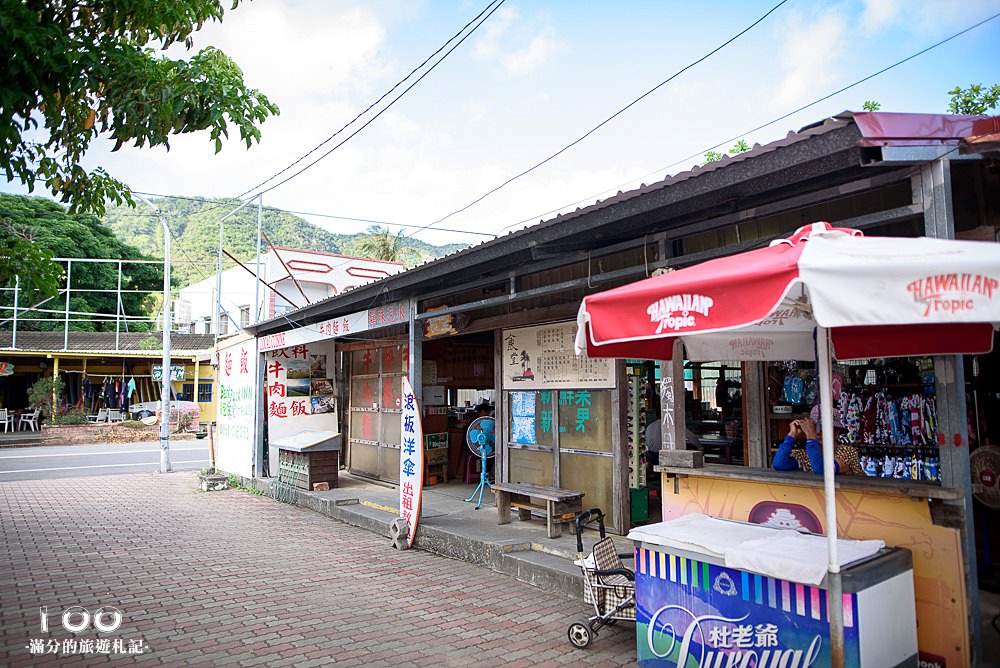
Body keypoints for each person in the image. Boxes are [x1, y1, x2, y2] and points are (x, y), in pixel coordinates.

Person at [772, 409, 863, 476]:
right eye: (815, 427)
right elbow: (779, 464)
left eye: (824, 428)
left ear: (837, 433)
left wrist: (811, 437)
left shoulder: (847, 451)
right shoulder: (805, 455)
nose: (818, 432)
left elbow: (823, 470)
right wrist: (791, 435)